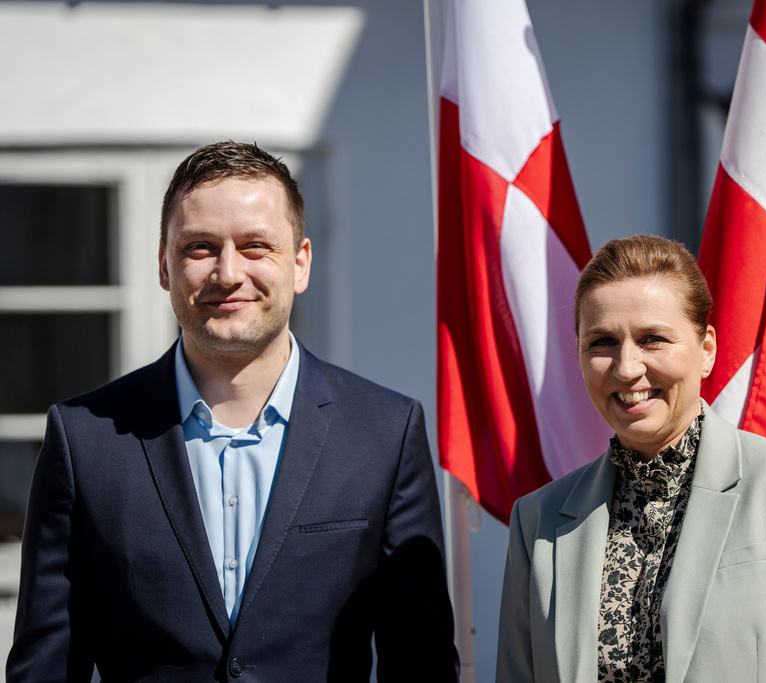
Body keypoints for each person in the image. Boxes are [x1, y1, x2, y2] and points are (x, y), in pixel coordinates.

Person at [6, 142, 459, 682]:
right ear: (163, 265)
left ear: (299, 263)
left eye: (255, 246)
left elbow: (421, 664)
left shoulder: (385, 433)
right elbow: (47, 668)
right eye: (200, 247)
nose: (227, 272)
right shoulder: (85, 439)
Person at [496, 234, 766, 682]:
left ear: (706, 351)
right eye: (602, 342)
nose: (627, 368)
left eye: (653, 339)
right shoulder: (537, 521)